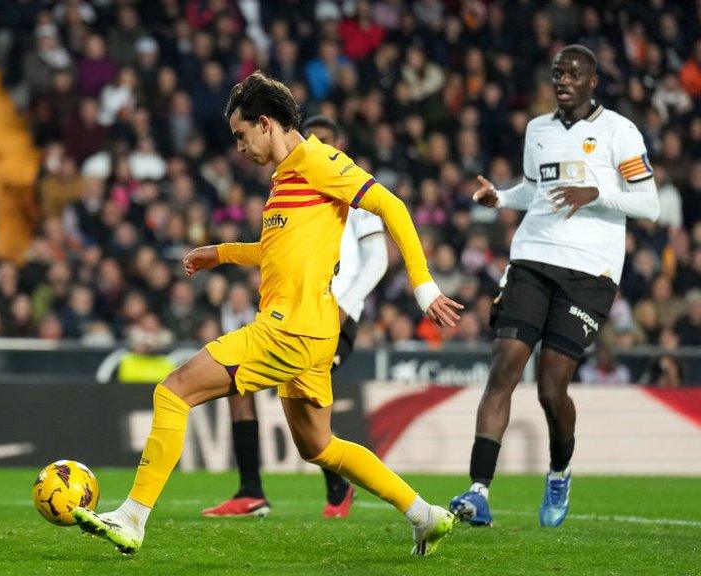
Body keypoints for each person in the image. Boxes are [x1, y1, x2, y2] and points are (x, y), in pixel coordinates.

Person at [72, 72, 463, 556]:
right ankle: (425, 515)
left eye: (241, 135)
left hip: (289, 328)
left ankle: (132, 517)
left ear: (265, 124)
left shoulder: (316, 159)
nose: (239, 148)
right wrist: (221, 252)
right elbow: (275, 250)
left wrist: (424, 289)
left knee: (172, 393)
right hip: (313, 330)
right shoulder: (286, 177)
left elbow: (393, 206)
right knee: (318, 446)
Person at [448, 45, 660, 528]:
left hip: (589, 273)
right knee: (503, 368)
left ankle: (560, 470)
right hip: (532, 259)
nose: (562, 79)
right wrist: (500, 197)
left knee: (550, 389)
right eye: (557, 73)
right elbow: (534, 190)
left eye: (574, 73)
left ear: (593, 82)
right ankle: (479, 490)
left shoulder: (619, 132)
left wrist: (597, 193)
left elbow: (649, 204)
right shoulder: (537, 130)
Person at [202, 115, 389, 519]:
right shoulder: (293, 185)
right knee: (241, 389)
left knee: (306, 405)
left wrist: (346, 306)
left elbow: (377, 260)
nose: (315, 150)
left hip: (331, 314)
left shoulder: (352, 192)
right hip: (289, 312)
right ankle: (251, 490)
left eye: (326, 143)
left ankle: (341, 489)